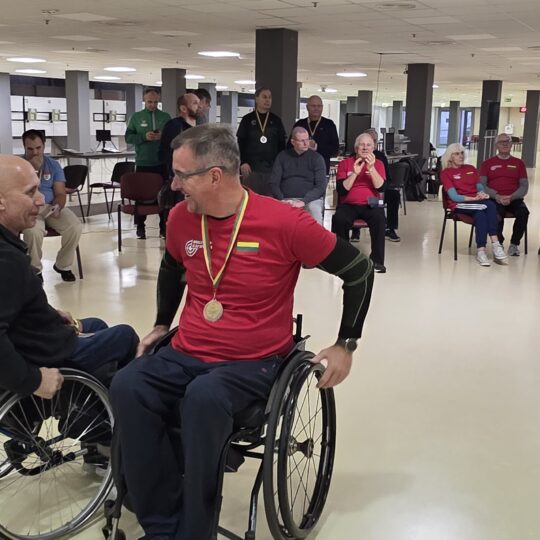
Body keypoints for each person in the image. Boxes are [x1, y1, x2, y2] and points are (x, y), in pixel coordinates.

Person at [110, 124, 375, 540]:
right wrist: (162, 323)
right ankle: (161, 524)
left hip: (255, 361)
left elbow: (358, 269)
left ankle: (193, 532)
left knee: (205, 396)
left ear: (215, 176)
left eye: (181, 175)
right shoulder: (181, 219)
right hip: (187, 350)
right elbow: (172, 268)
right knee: (128, 384)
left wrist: (346, 343)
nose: (174, 186)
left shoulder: (284, 222)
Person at [0, 155, 139, 398]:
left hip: (32, 333)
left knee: (96, 324)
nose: (41, 199)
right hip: (44, 353)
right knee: (125, 335)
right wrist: (33, 381)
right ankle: (108, 409)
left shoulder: (8, 247)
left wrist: (51, 314)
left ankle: (93, 399)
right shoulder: (7, 261)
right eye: (30, 192)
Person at [20, 130, 82, 282]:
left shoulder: (53, 165)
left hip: (50, 206)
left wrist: (58, 206)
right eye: (30, 149)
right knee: (33, 232)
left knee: (74, 227)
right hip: (29, 208)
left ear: (44, 145)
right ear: (24, 147)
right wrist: (33, 171)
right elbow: (16, 194)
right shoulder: (18, 167)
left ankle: (63, 265)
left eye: (38, 148)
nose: (35, 152)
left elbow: (60, 193)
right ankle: (35, 269)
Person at [440, 143, 508, 266]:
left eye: (462, 153)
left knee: (481, 215)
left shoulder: (470, 168)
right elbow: (454, 196)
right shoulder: (446, 173)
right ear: (450, 157)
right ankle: (496, 243)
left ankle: (481, 251)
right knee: (489, 205)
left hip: (476, 203)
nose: (461, 156)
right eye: (457, 154)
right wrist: (472, 198)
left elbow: (479, 186)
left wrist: (481, 193)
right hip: (459, 205)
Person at [332, 133, 387, 273]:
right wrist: (355, 173)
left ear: (373, 148)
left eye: (369, 145)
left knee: (380, 219)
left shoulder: (379, 164)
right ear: (356, 148)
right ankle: (342, 259)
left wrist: (371, 169)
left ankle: (377, 262)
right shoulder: (345, 163)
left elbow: (381, 188)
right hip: (349, 203)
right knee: (339, 218)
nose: (365, 148)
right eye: (362, 145)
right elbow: (341, 190)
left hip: (372, 202)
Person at [125, 88, 171, 239]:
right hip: (143, 162)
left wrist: (163, 137)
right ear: (144, 100)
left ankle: (164, 228)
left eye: (155, 102)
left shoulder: (165, 117)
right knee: (141, 196)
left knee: (163, 196)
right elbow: (128, 137)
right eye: (149, 102)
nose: (152, 105)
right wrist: (144, 137)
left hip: (161, 163)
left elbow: (173, 138)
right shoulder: (136, 117)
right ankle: (140, 227)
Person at [479, 133, 529, 256]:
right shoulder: (487, 164)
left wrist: (511, 197)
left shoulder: (519, 163)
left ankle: (514, 244)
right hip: (494, 198)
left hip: (514, 198)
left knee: (523, 213)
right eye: (501, 142)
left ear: (511, 145)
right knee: (496, 213)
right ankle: (499, 244)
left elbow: (524, 186)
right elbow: (482, 186)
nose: (505, 144)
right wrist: (496, 196)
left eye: (507, 141)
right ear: (496, 145)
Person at [270, 127, 327, 224]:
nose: (306, 143)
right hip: (285, 199)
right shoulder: (282, 157)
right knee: (274, 212)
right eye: (302, 141)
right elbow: (273, 183)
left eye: (307, 139)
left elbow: (321, 186)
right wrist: (281, 199)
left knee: (314, 209)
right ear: (293, 142)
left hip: (310, 200)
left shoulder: (317, 158)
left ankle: (317, 234)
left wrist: (303, 201)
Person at [237, 87, 286, 196]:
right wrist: (243, 162)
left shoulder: (276, 120)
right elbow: (240, 143)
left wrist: (280, 166)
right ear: (257, 99)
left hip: (272, 169)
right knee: (251, 199)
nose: (267, 100)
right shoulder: (247, 119)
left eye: (270, 97)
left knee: (270, 200)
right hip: (251, 168)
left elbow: (282, 145)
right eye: (264, 97)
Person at [364, 128, 401, 242]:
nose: (373, 143)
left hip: (378, 196)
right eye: (371, 140)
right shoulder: (356, 156)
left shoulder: (380, 157)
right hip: (363, 196)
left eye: (375, 141)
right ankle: (356, 230)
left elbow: (388, 179)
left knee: (394, 195)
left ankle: (390, 228)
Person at [291, 95, 340, 174]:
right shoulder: (300, 124)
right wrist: (303, 146)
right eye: (313, 106)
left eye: (319, 106)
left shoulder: (329, 124)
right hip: (300, 168)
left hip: (321, 168)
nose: (316, 108)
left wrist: (316, 147)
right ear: (307, 107)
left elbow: (335, 150)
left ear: (322, 107)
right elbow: (290, 146)